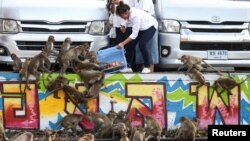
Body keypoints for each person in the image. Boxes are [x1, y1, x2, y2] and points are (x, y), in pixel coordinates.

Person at [116, 1, 158, 73]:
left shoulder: (135, 16)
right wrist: (124, 26)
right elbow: (128, 20)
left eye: (122, 16)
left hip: (151, 26)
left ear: (126, 12)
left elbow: (134, 35)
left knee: (142, 44)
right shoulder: (129, 11)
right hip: (142, 27)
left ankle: (147, 66)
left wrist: (123, 43)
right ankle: (128, 67)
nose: (122, 18)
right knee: (131, 44)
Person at [133, 0, 159, 73]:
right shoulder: (135, 1)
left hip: (149, 22)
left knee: (149, 48)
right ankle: (143, 70)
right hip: (141, 23)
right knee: (140, 48)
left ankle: (150, 72)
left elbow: (144, 13)